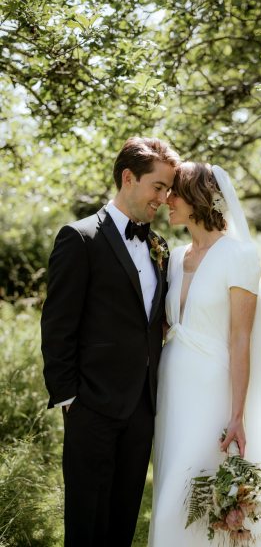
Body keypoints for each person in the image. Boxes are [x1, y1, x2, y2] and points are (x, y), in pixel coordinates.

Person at [148, 162, 261, 546]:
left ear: (197, 198)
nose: (166, 200)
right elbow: (168, 325)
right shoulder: (174, 256)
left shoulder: (238, 254)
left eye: (174, 192)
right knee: (173, 486)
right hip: (173, 389)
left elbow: (241, 339)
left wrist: (237, 415)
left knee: (200, 490)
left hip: (214, 390)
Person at [41, 136, 179, 547]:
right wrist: (70, 400)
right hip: (91, 407)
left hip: (141, 408)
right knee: (87, 525)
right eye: (159, 186)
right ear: (128, 178)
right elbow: (57, 325)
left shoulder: (160, 246)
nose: (164, 198)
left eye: (169, 190)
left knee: (122, 523)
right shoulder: (79, 238)